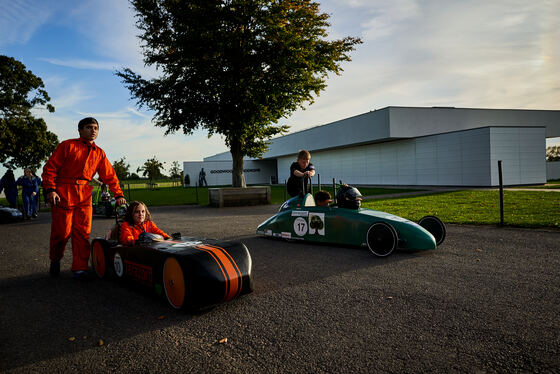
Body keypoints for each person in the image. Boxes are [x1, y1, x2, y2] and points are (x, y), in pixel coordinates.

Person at [42, 117, 126, 279]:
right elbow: (49, 169)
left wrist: (118, 194)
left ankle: (80, 268)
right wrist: (50, 190)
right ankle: (55, 259)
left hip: (84, 195)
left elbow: (110, 176)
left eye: (95, 128)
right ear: (80, 130)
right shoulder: (67, 146)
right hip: (63, 193)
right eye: (89, 127)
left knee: (82, 232)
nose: (93, 130)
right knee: (62, 233)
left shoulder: (99, 153)